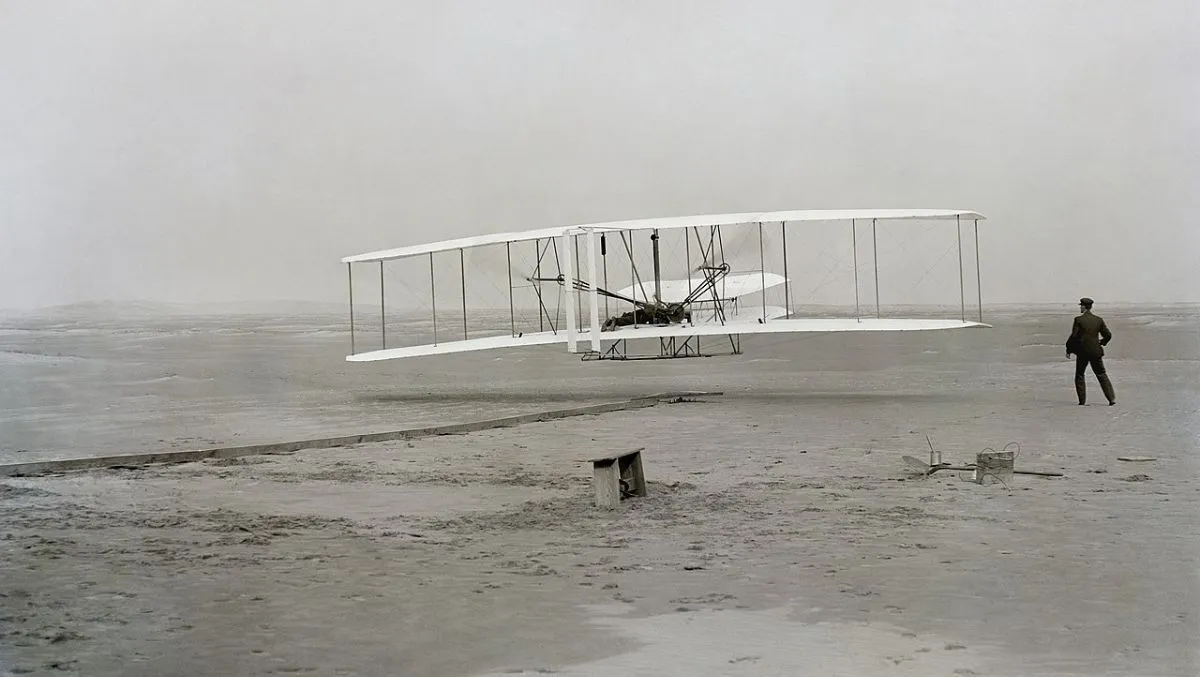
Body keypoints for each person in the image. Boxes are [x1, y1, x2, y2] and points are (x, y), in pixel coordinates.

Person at [1065, 297, 1115, 405]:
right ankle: (1111, 399)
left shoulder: (1079, 320)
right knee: (1101, 374)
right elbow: (1108, 335)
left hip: (1082, 352)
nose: (1080, 308)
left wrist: (1069, 348)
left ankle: (1082, 401)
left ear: (1084, 306)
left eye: (1081, 306)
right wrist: (1102, 342)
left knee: (1080, 375)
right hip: (1096, 351)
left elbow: (1074, 336)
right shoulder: (1098, 320)